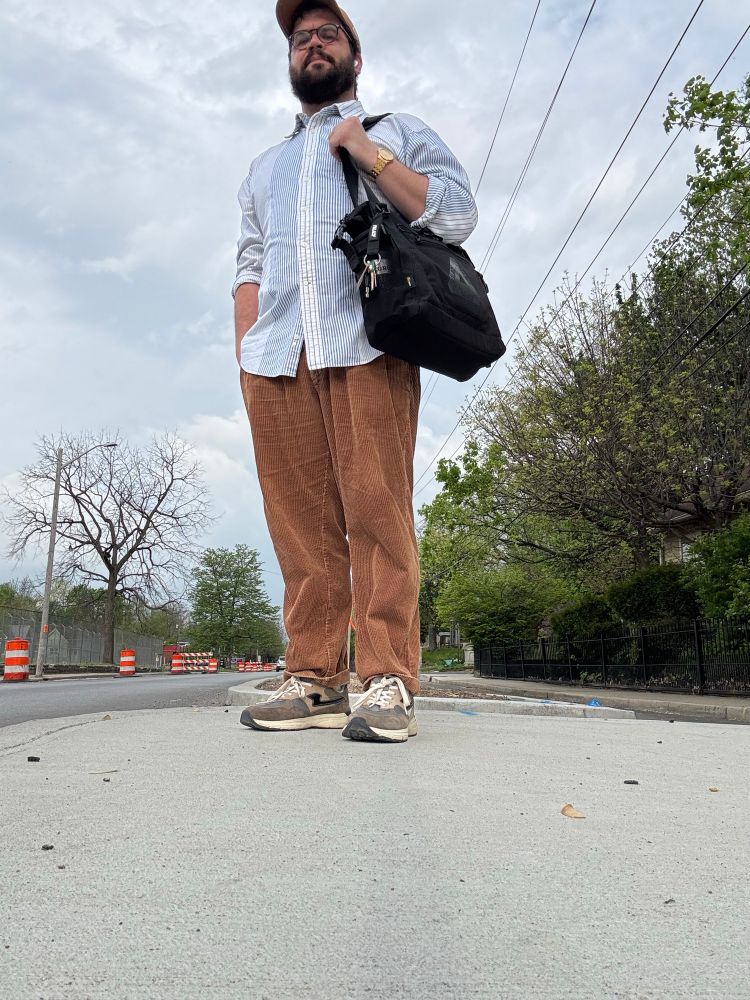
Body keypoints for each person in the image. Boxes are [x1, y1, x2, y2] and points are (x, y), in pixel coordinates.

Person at [233, 0, 478, 743]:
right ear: (291, 60)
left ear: (355, 56)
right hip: (276, 357)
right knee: (301, 527)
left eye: (327, 34)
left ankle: (386, 680)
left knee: (376, 510)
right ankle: (313, 677)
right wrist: (245, 345)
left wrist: (364, 152)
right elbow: (248, 257)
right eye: (301, 39)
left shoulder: (394, 131)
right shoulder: (264, 167)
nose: (313, 45)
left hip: (367, 341)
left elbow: (457, 213)